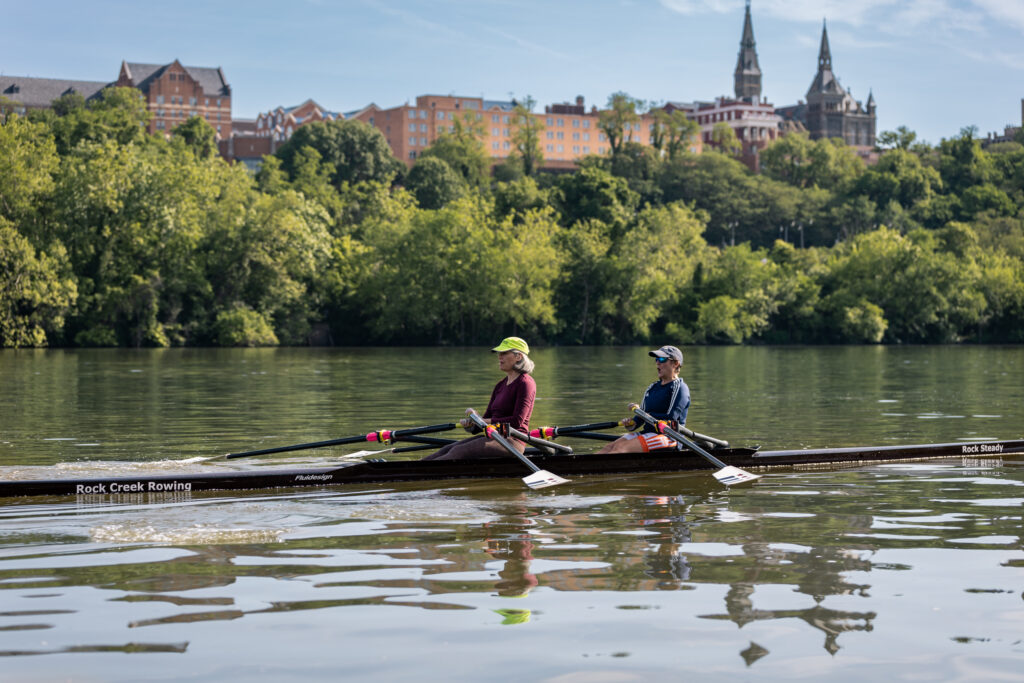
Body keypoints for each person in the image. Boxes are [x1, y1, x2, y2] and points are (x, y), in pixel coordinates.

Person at [422, 337, 536, 461]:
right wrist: (471, 424)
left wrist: (482, 421)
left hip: (513, 441)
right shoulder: (500, 385)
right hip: (494, 437)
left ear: (518, 356)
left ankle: (420, 477)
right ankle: (414, 470)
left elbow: (516, 422)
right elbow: (484, 423)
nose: (499, 357)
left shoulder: (525, 383)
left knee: (460, 450)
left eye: (504, 353)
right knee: (447, 448)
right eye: (499, 353)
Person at [597, 345, 690, 454]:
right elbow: (640, 419)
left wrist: (643, 414)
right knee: (610, 447)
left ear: (676, 364)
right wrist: (631, 424)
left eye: (662, 359)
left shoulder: (680, 388)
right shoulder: (652, 388)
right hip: (648, 433)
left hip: (669, 437)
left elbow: (671, 417)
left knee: (621, 449)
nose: (657, 363)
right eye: (656, 359)